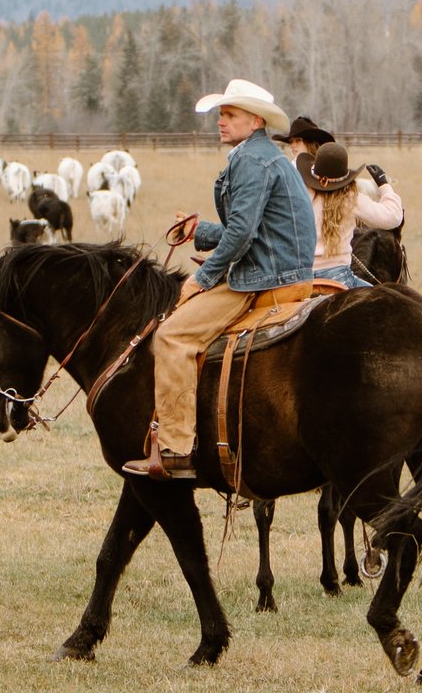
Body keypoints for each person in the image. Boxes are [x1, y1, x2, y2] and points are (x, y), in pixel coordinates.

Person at [121, 79, 315, 481]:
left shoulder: (250, 160)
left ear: (254, 120)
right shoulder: (268, 157)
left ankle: (174, 449)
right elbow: (248, 227)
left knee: (172, 336)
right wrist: (199, 230)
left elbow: (243, 234)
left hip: (264, 277)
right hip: (283, 266)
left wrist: (203, 278)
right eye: (221, 115)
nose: (221, 122)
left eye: (229, 115)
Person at [299, 140, 404, 289]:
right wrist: (384, 186)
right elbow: (393, 217)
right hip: (339, 277)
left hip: (301, 278)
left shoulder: (301, 194)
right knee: (389, 305)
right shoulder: (351, 198)